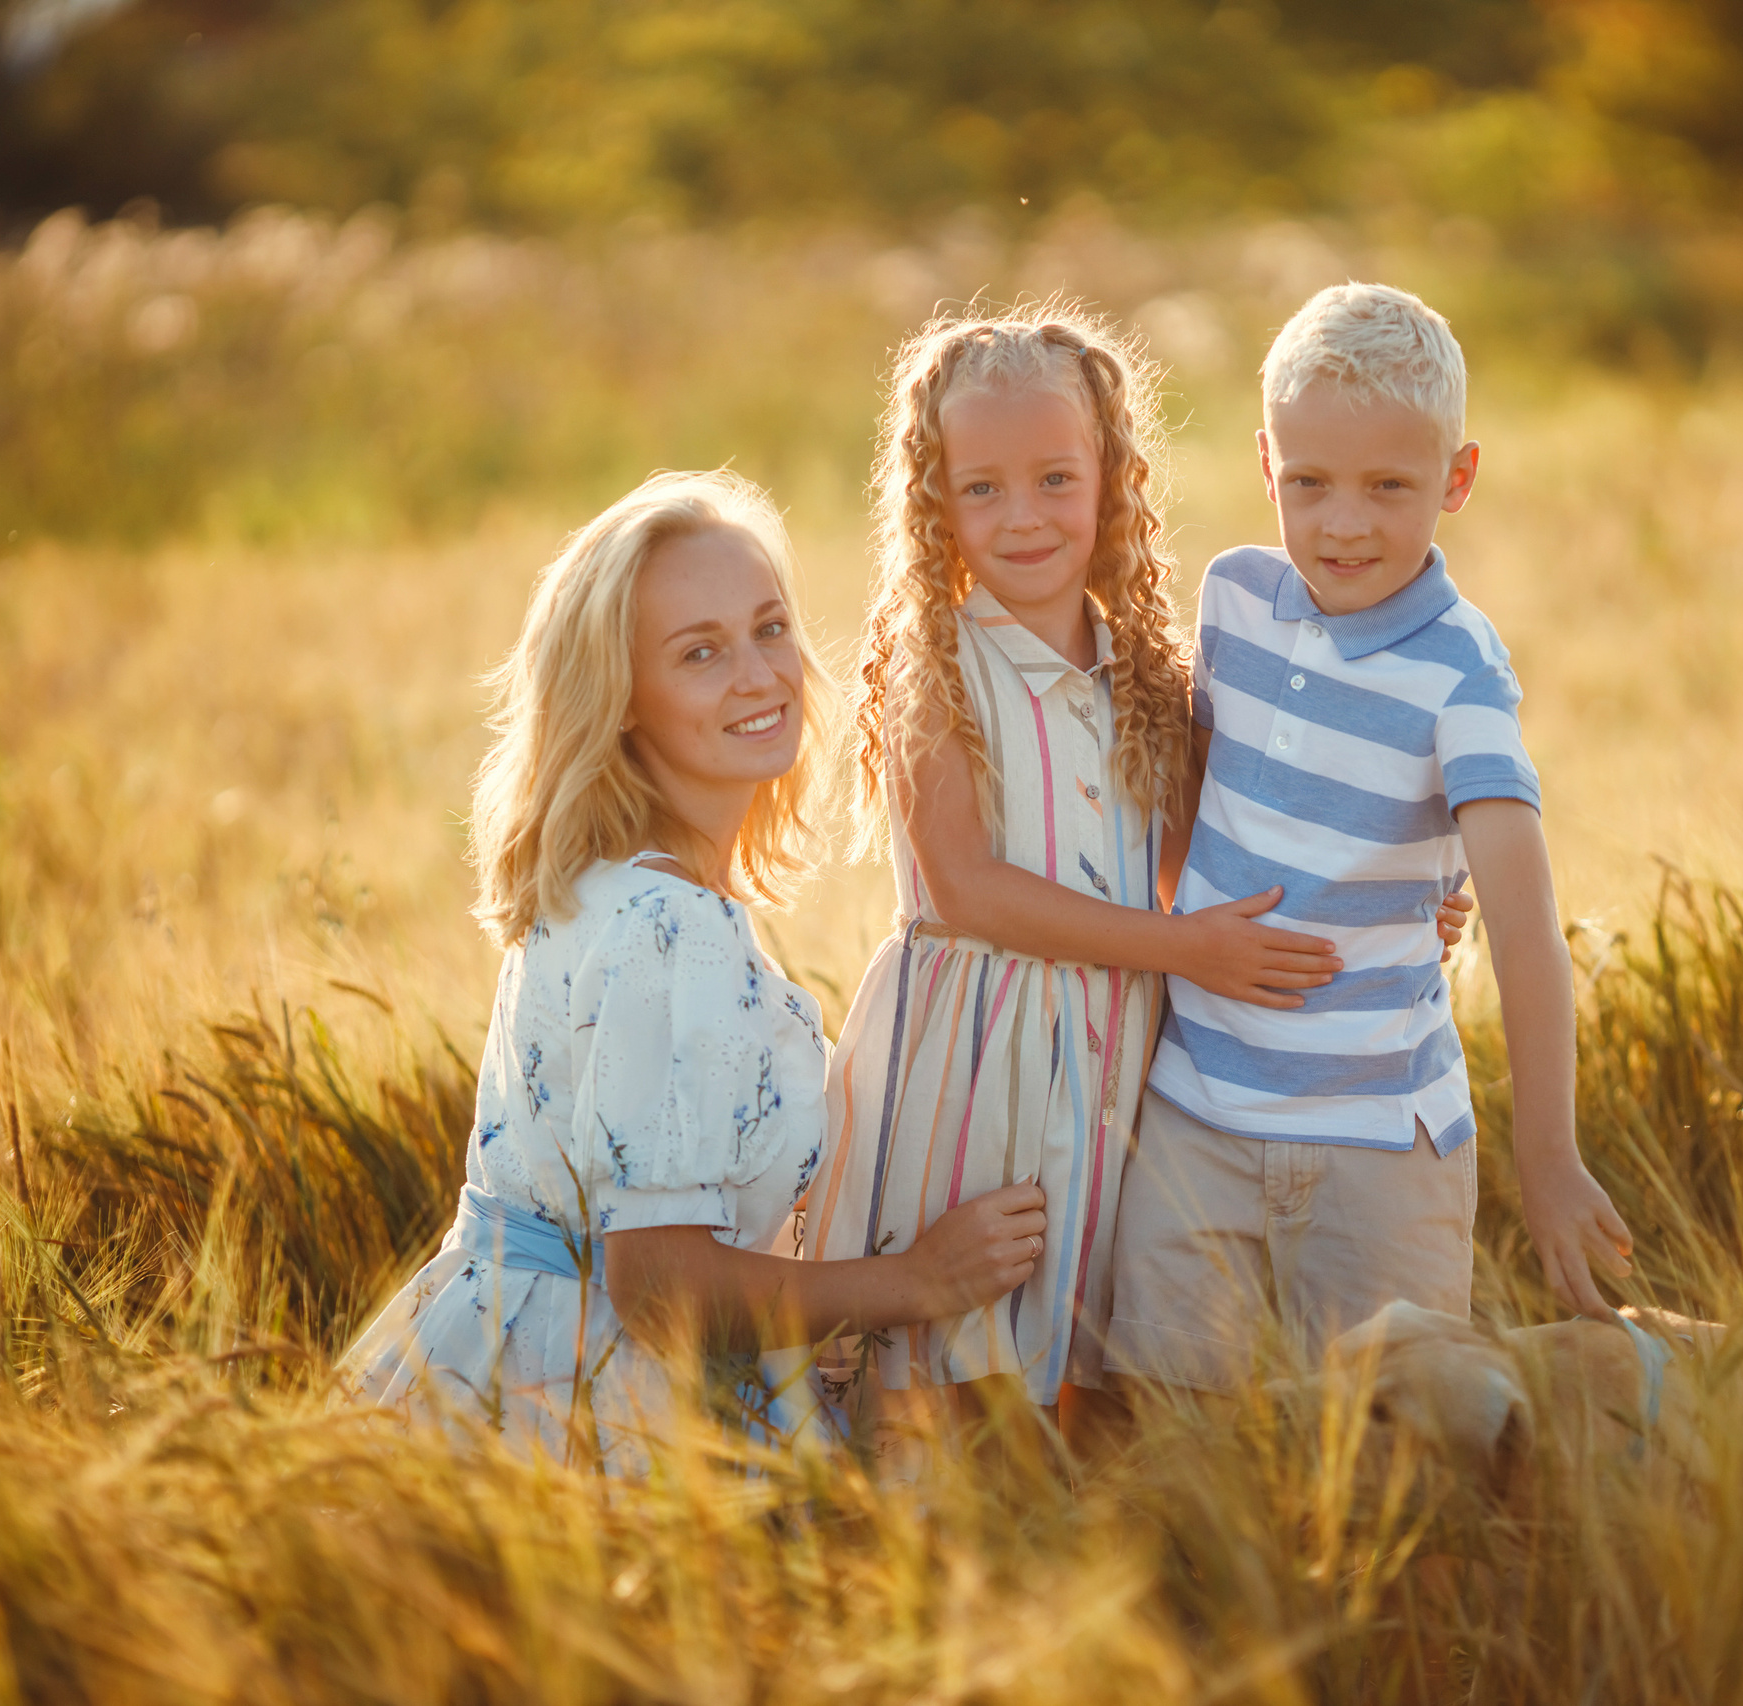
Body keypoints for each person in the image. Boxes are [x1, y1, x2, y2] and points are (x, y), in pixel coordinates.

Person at [339, 470, 1045, 1471]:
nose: (760, 673)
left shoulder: (609, 882)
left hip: (497, 1353)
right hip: (586, 1406)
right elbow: (660, 1287)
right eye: (700, 652)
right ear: (621, 700)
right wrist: (917, 1278)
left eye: (769, 627)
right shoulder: (672, 930)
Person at [800, 302, 1387, 1455]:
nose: (1022, 518)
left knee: (1082, 1355)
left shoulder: (1147, 672)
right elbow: (966, 889)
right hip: (970, 1053)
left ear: (1111, 478)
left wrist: (1398, 894)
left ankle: (1067, 1567)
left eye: (1055, 478)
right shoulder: (937, 663)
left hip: (1113, 1056)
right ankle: (923, 1557)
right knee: (956, 1359)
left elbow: (1222, 849)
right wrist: (1183, 949)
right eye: (980, 489)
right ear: (933, 501)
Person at [1103, 283, 1637, 1395]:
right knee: (1176, 1435)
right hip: (1194, 1116)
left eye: (1388, 487)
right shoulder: (1234, 601)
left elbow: (1526, 928)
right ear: (1266, 467)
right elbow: (1201, 806)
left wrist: (1546, 1160)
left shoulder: (1461, 671)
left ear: (1456, 479)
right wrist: (1176, 936)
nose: (1343, 523)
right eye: (1309, 483)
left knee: (1394, 1467)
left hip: (1377, 1149)